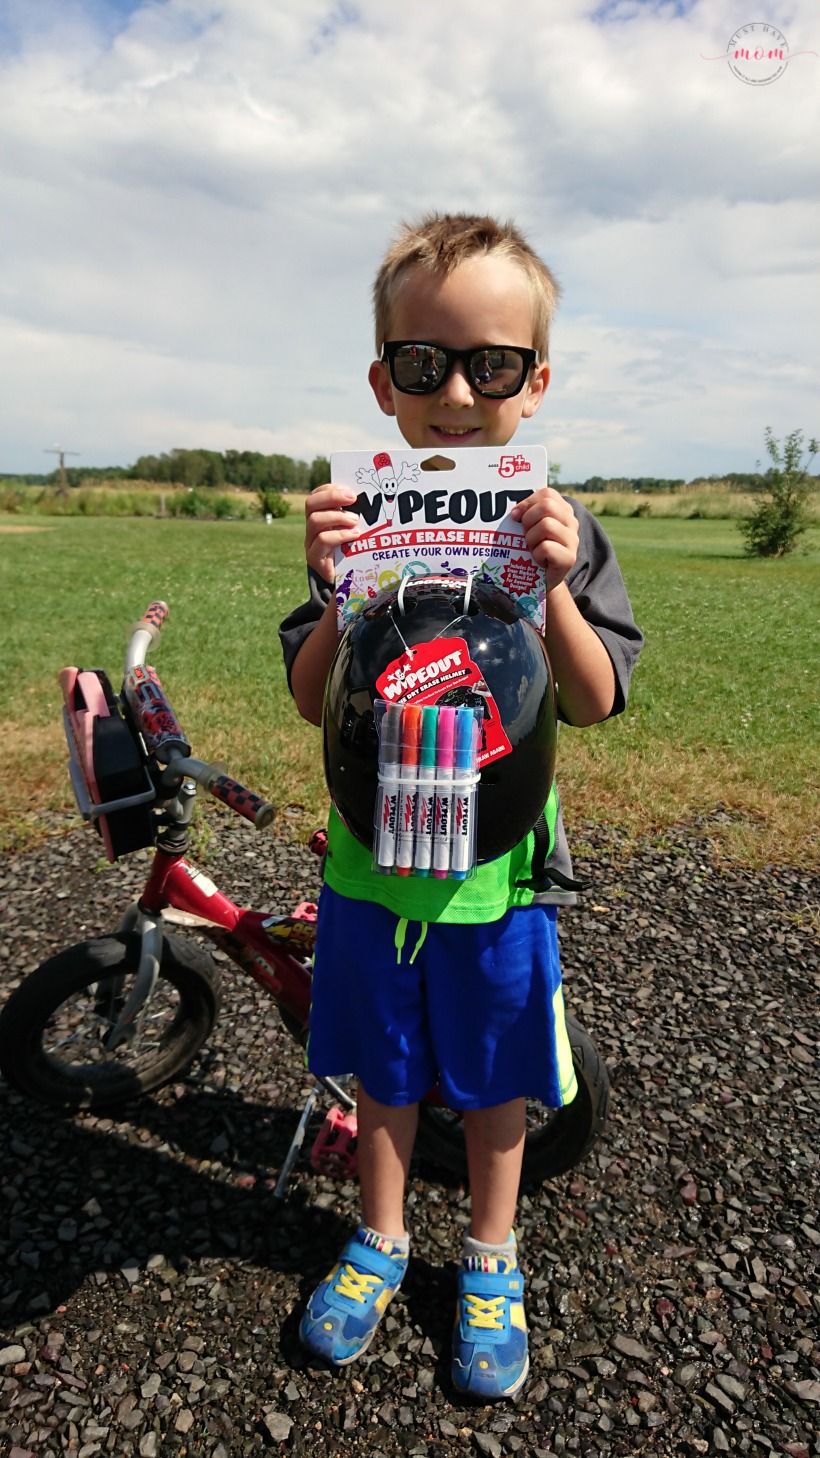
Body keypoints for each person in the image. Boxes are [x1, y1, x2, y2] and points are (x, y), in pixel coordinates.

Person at [278, 212, 643, 1401]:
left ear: (532, 383)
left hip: (493, 880)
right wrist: (335, 589)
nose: (456, 393)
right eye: (425, 365)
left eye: (490, 365)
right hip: (368, 866)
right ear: (385, 383)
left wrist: (554, 585)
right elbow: (306, 697)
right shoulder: (367, 525)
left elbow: (593, 703)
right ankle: (381, 1236)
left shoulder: (557, 533)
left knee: (493, 1077)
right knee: (381, 1074)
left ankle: (491, 1254)